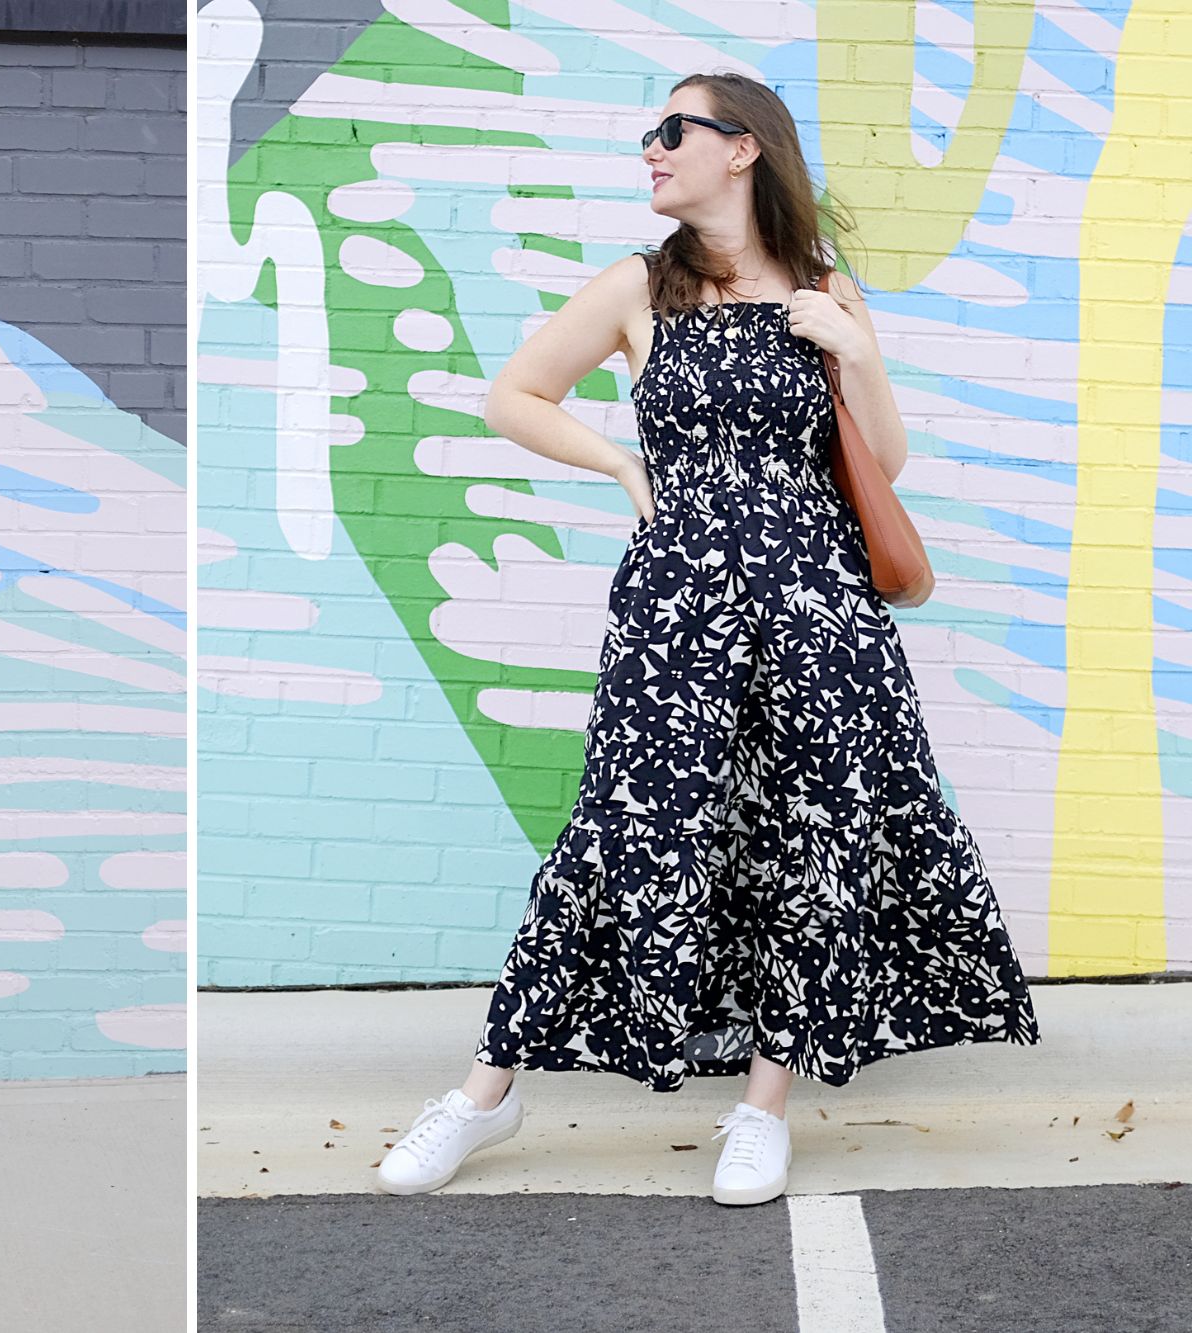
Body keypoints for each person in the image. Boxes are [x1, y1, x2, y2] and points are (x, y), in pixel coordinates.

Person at [375, 70, 1040, 1207]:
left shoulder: (825, 288)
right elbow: (513, 396)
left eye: (669, 130)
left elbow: (879, 464)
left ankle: (760, 1106)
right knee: (619, 825)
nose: (650, 149)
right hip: (675, 602)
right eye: (647, 133)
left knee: (810, 833)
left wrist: (855, 349)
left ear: (742, 149)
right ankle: (486, 1094)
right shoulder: (639, 284)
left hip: (816, 604)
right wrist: (621, 463)